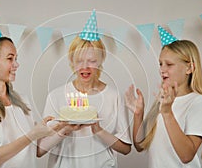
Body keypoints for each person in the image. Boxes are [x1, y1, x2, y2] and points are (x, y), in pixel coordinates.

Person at [0, 9, 60, 168]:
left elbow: (37, 150)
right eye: (10, 59)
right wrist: (31, 135)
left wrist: (65, 128)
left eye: (16, 58)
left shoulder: (21, 101)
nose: (16, 65)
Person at [37, 16, 132, 167]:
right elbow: (40, 150)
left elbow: (126, 148)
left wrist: (98, 130)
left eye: (92, 61)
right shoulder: (56, 96)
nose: (85, 67)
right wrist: (65, 129)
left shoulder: (113, 96)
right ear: (72, 62)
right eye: (79, 61)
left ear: (101, 61)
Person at [125, 38, 202, 168]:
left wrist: (167, 113)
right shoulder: (162, 102)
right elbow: (140, 145)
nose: (162, 69)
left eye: (169, 64)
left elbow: (186, 156)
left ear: (189, 67)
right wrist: (138, 114)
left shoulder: (199, 103)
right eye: (160, 64)